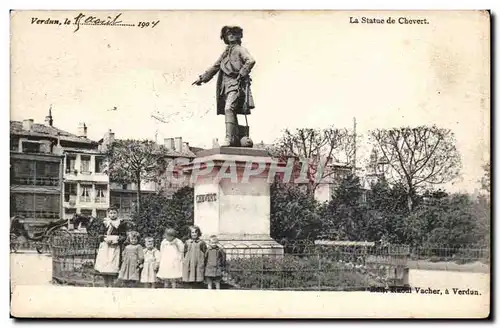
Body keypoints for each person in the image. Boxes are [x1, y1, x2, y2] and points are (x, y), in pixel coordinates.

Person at [192, 25, 256, 147]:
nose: (230, 35)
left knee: (229, 108)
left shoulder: (239, 49)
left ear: (238, 36)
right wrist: (202, 78)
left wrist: (242, 73)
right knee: (230, 111)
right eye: (228, 34)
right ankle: (234, 138)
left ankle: (229, 139)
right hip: (225, 87)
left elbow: (251, 60)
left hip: (237, 85)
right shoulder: (225, 53)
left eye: (233, 33)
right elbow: (215, 67)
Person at [94, 206, 128, 287]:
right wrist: (104, 239)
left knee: (112, 265)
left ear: (117, 213)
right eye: (111, 213)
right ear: (108, 214)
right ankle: (105, 284)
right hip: (105, 246)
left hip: (115, 246)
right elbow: (99, 234)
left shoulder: (121, 223)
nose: (112, 215)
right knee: (104, 265)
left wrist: (116, 241)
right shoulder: (105, 222)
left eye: (114, 213)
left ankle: (111, 285)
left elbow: (123, 235)